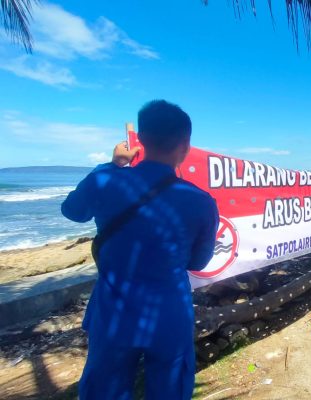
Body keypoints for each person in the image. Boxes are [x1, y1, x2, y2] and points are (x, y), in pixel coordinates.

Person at [62, 100, 219, 400]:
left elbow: (72, 210)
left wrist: (113, 165)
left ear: (141, 139)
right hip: (169, 311)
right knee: (170, 390)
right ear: (185, 144)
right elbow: (199, 261)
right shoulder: (200, 201)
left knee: (104, 390)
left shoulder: (106, 180)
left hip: (113, 312)